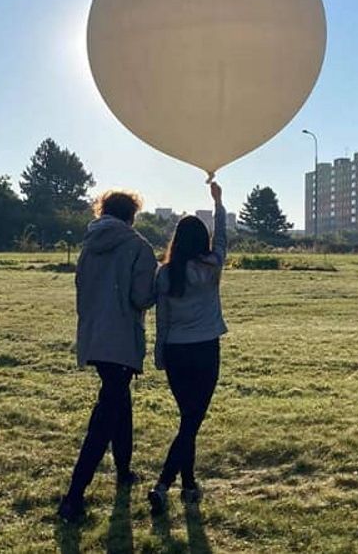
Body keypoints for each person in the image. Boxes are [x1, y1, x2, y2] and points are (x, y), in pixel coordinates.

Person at [57, 190, 158, 523]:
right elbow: (141, 298)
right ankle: (74, 495)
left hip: (94, 336)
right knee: (105, 415)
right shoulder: (139, 247)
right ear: (132, 215)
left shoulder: (89, 245)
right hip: (121, 338)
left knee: (119, 401)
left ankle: (124, 470)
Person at [148, 182, 228, 514]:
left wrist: (159, 351)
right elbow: (223, 239)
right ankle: (164, 485)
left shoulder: (165, 273)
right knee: (191, 421)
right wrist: (219, 204)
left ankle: (189, 484)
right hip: (206, 349)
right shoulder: (211, 266)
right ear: (203, 241)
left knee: (188, 418)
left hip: (178, 352)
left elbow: (162, 318)